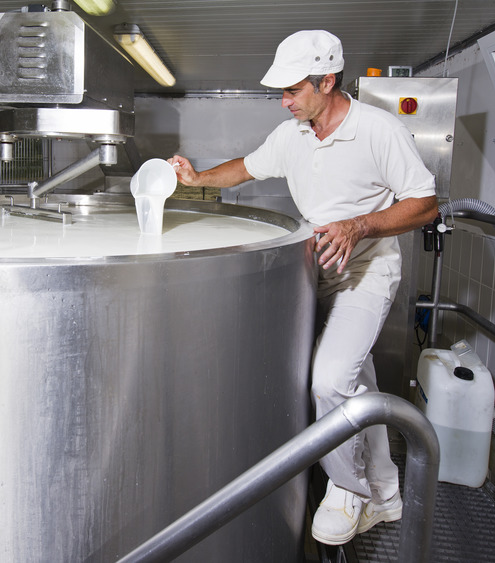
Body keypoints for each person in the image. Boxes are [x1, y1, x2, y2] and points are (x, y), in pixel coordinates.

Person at [168, 30, 438, 546]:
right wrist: (197, 178)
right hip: (319, 270)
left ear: (328, 81)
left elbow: (425, 204)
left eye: (292, 91)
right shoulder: (292, 135)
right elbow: (244, 168)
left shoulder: (378, 130)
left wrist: (359, 226)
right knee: (358, 383)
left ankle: (347, 487)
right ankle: (385, 493)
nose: (284, 101)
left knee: (329, 381)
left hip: (365, 271)